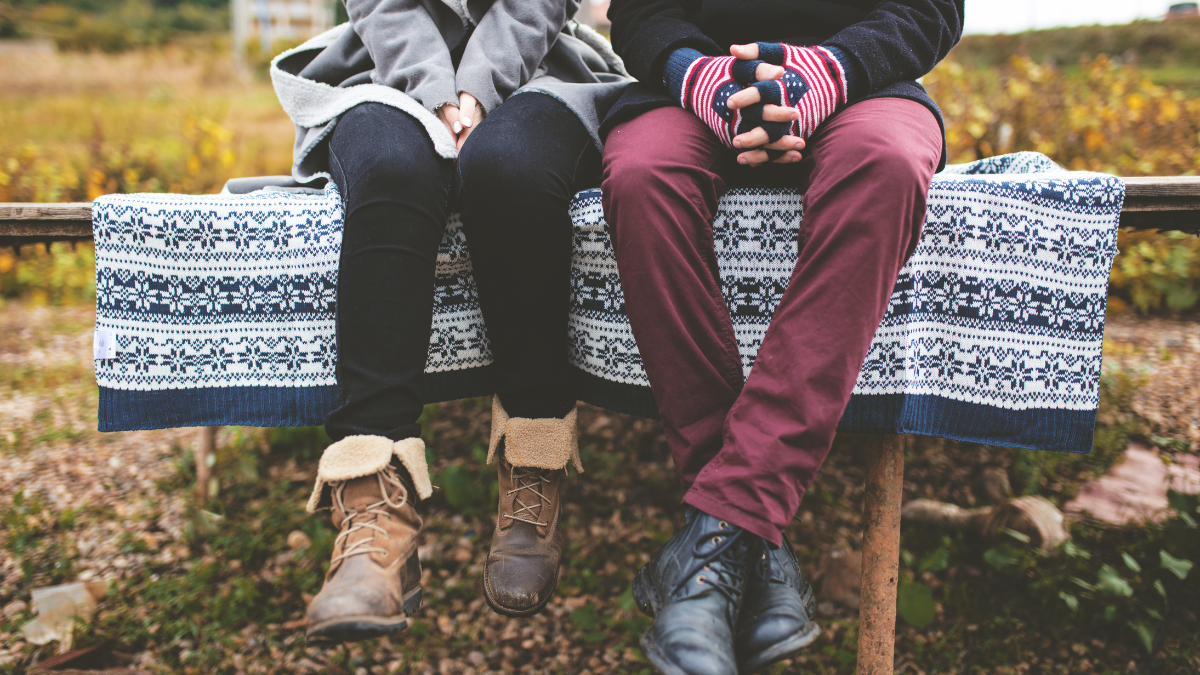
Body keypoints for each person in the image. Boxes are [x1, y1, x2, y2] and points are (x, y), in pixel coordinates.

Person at [599, 0, 963, 672]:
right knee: (644, 177)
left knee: (885, 164)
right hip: (689, 87)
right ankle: (749, 536)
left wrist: (827, 72)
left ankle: (715, 541)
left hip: (863, 82)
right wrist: (696, 76)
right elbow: (639, 11)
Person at [268, 0, 632, 642]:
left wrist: (477, 91)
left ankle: (533, 466)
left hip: (540, 66)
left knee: (510, 168)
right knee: (390, 169)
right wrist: (438, 93)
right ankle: (376, 513)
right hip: (386, 65)